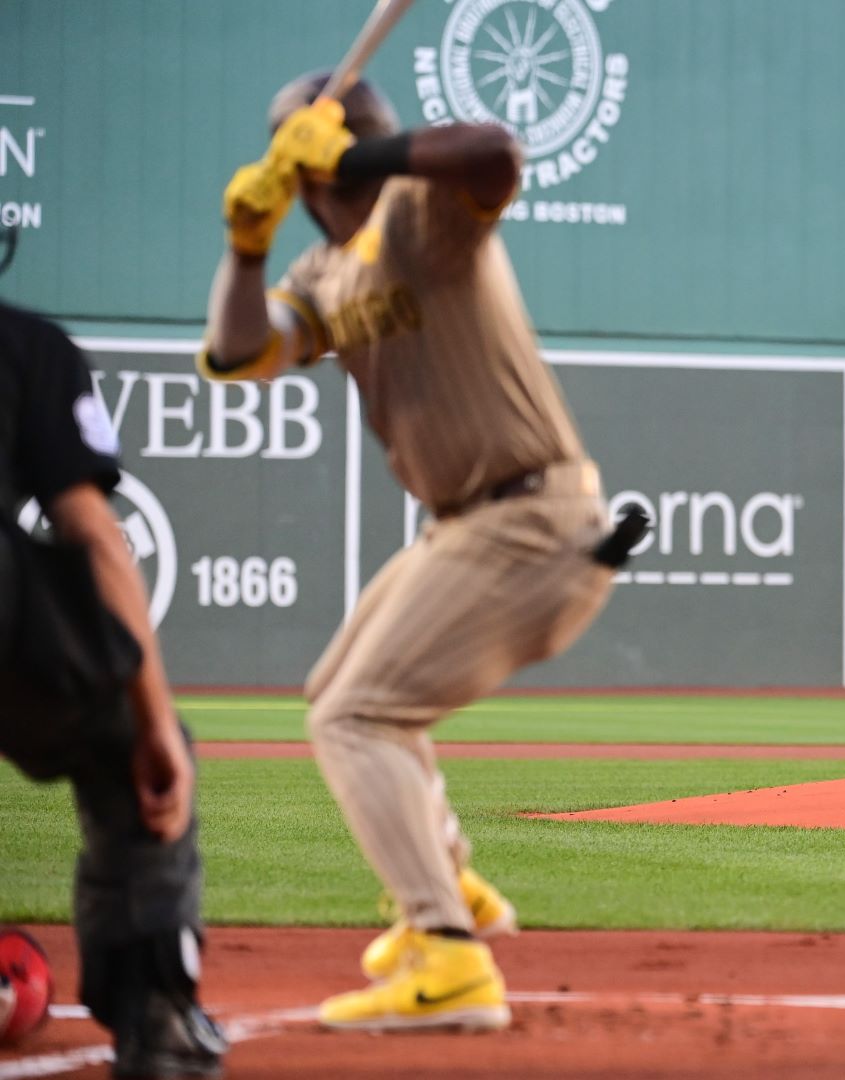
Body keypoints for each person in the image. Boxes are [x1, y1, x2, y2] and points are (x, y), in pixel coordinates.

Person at [199, 73, 644, 1032]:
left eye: (366, 134)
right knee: (336, 697)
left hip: (532, 516)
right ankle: (450, 887)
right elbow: (240, 355)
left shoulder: (422, 211)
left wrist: (361, 157)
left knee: (359, 716)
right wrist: (245, 245)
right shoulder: (320, 270)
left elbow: (496, 154)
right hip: (470, 526)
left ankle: (448, 954)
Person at [0, 229, 226, 1077]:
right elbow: (95, 534)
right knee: (125, 751)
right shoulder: (27, 345)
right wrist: (154, 720)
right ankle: (156, 1017)